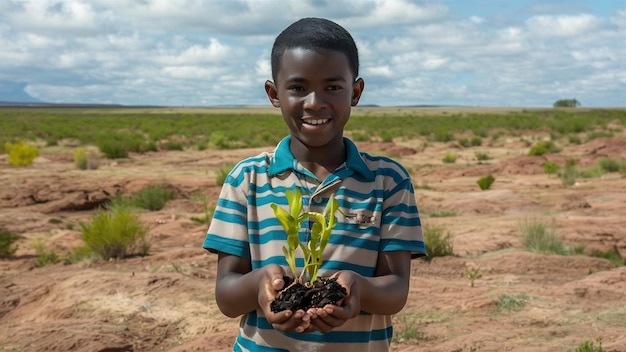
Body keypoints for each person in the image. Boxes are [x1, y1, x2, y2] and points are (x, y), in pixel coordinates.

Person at [203, 17, 426, 352]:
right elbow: (226, 295)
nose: (314, 102)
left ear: (356, 92)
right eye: (297, 88)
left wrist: (359, 290)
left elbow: (396, 290)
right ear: (273, 93)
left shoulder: (388, 181)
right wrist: (260, 285)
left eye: (332, 87)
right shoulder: (247, 179)